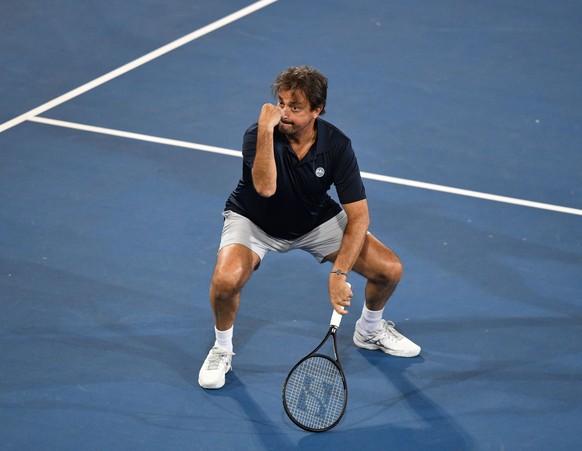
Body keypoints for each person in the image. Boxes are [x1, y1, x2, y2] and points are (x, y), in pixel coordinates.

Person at [198, 66, 420, 389]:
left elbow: (359, 218)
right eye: (280, 103)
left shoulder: (337, 147)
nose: (283, 113)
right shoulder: (258, 134)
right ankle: (221, 348)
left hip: (315, 221)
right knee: (225, 279)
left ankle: (370, 329)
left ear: (317, 111)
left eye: (295, 107)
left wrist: (339, 273)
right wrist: (264, 130)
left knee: (390, 269)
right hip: (254, 221)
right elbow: (264, 188)